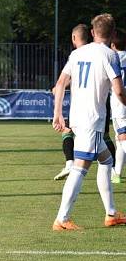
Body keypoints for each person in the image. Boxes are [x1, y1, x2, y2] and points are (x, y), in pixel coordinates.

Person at [51, 13, 126, 230]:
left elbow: (60, 83)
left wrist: (58, 113)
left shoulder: (78, 53)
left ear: (92, 32)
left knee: (107, 160)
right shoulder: (110, 55)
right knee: (79, 168)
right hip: (92, 120)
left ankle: (111, 213)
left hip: (77, 118)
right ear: (112, 34)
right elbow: (119, 91)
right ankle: (62, 219)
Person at [53, 24, 90, 181]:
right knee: (105, 152)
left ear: (74, 38)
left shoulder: (75, 55)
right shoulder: (103, 52)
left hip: (81, 107)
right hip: (100, 105)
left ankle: (70, 164)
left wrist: (57, 113)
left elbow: (62, 81)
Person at [110, 28, 126, 181]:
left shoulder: (112, 59)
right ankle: (117, 174)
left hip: (120, 104)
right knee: (119, 137)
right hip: (121, 103)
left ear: (113, 44)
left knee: (122, 137)